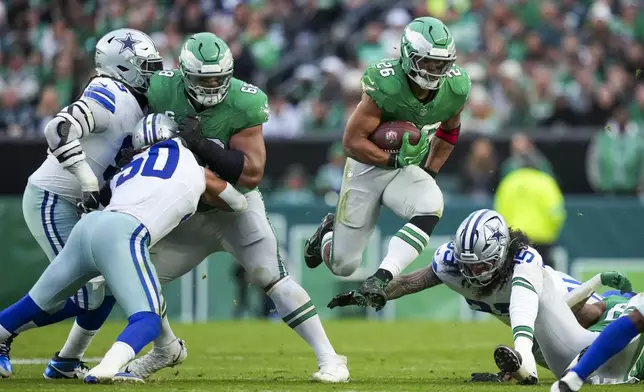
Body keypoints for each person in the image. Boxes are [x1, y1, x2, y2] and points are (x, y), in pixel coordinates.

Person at [127, 32, 349, 383]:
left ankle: (331, 359)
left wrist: (201, 144)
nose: (213, 85)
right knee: (137, 282)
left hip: (234, 207)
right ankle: (163, 349)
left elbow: (252, 173)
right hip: (184, 213)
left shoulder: (244, 102)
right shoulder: (159, 89)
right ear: (185, 74)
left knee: (272, 278)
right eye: (204, 79)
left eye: (219, 78)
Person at [0, 114, 248, 383]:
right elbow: (238, 203)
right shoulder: (196, 168)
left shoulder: (126, 169)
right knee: (147, 319)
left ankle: (46, 352)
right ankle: (106, 368)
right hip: (124, 234)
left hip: (88, 227)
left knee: (35, 303)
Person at [327, 209, 632, 383]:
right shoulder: (454, 262)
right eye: (467, 264)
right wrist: (367, 295)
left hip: (589, 312)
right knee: (559, 362)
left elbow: (532, 315)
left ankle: (522, 368)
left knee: (594, 359)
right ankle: (522, 370)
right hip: (541, 338)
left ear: (500, 254)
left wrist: (525, 349)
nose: (473, 273)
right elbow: (408, 282)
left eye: (483, 264)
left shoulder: (523, 264)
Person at [15, 28, 163, 379]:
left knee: (109, 286)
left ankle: (66, 361)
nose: (154, 74)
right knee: (81, 294)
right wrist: (86, 179)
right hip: (55, 199)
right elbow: (59, 129)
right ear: (123, 67)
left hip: (83, 207)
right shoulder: (108, 90)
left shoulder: (137, 101)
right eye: (147, 66)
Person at [304, 16, 471, 311]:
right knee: (342, 265)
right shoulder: (386, 83)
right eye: (427, 62)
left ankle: (381, 278)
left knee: (431, 202)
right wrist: (391, 157)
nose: (434, 70)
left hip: (404, 167)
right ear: (408, 56)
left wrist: (427, 172)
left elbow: (448, 131)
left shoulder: (455, 87)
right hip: (367, 166)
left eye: (440, 64)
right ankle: (328, 232)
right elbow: (351, 143)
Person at [552, 295, 644, 390]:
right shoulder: (619, 300)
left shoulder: (613, 301)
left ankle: (575, 374)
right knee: (637, 317)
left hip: (570, 351)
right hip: (615, 367)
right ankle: (576, 374)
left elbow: (574, 315)